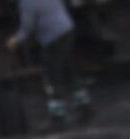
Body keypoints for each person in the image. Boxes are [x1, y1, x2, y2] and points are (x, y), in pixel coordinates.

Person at [5, 0, 91, 128]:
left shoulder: (27, 3)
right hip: (67, 30)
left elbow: (27, 28)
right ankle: (85, 107)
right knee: (69, 72)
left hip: (52, 39)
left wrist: (15, 41)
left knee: (52, 78)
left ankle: (58, 117)